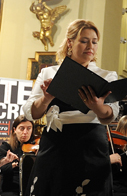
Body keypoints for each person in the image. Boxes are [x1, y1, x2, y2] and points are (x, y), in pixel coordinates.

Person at [23, 19, 119, 195]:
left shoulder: (107, 75)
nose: (90, 46)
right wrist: (46, 98)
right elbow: (32, 113)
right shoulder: (49, 72)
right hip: (56, 143)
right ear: (70, 42)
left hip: (91, 144)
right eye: (84, 40)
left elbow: (111, 114)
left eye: (95, 42)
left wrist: (97, 107)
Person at [0, 115, 35, 195]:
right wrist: (10, 165)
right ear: (15, 130)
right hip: (10, 189)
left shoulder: (36, 147)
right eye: (22, 128)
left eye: (29, 128)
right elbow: (1, 169)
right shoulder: (6, 147)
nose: (25, 132)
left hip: (31, 188)